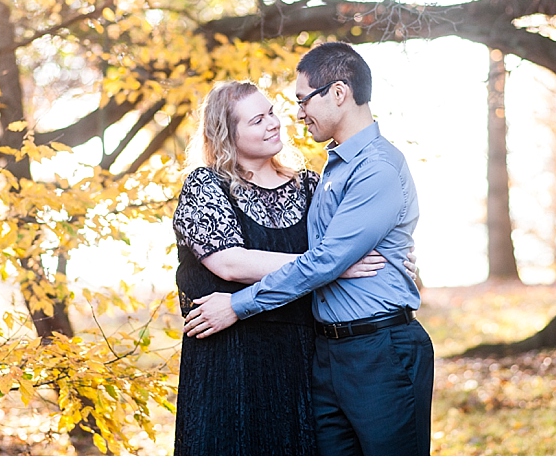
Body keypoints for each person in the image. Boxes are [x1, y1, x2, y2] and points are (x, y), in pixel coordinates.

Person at [184, 42, 435, 456]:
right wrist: (339, 264)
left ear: (338, 93)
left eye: (302, 101)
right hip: (322, 356)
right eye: (259, 118)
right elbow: (322, 257)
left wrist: (239, 304)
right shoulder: (333, 169)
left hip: (378, 351)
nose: (295, 115)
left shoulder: (374, 168)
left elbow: (328, 259)